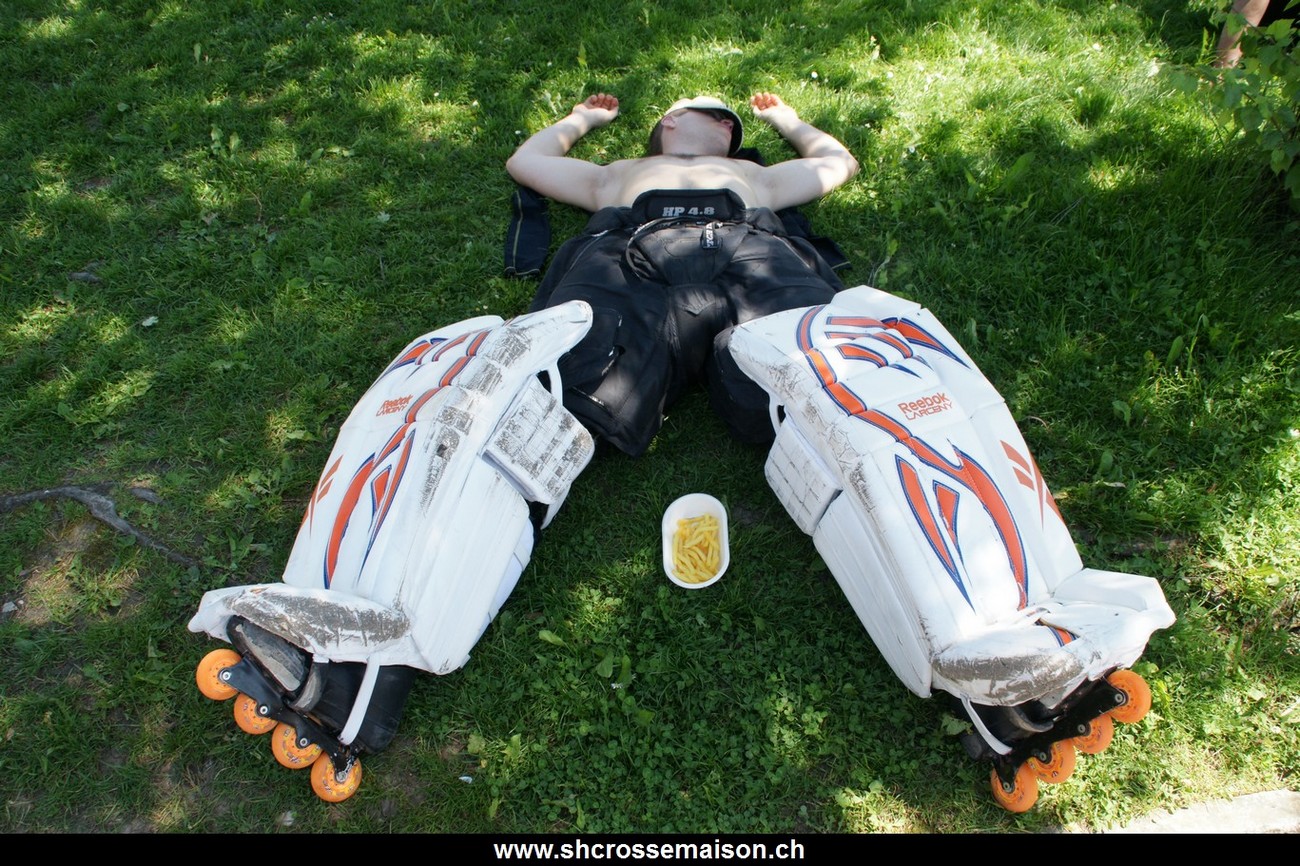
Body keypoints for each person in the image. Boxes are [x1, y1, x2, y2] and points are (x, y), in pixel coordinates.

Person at [505, 92, 860, 456]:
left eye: (731, 126)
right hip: (631, 254)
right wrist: (583, 117)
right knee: (557, 396)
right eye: (715, 115)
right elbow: (525, 162)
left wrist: (787, 120)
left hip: (749, 251)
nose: (729, 125)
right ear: (671, 119)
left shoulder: (755, 175)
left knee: (832, 374)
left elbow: (839, 162)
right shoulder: (617, 173)